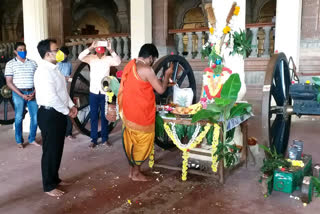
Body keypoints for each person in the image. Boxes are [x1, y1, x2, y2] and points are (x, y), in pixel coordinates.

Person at [118, 44, 173, 181]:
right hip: (141, 114)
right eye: (153, 59)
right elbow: (160, 90)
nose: (153, 62)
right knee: (142, 144)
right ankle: (136, 173)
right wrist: (167, 75)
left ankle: (132, 171)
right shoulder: (147, 69)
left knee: (132, 144)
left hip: (129, 112)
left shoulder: (130, 65)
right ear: (150, 57)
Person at [34, 39, 78, 197]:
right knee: (50, 151)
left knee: (57, 149)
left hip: (58, 112)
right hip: (49, 114)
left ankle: (55, 178)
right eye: (56, 50)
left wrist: (71, 105)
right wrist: (67, 111)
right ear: (47, 54)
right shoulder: (43, 72)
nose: (60, 52)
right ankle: (48, 185)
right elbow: (51, 97)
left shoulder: (55, 69)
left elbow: (62, 92)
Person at [78, 40, 121, 148]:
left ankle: (105, 139)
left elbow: (118, 61)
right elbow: (80, 57)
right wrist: (90, 47)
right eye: (98, 51)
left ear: (104, 51)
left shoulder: (108, 59)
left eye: (101, 52)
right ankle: (93, 139)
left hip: (105, 92)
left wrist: (111, 49)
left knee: (104, 116)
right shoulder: (91, 58)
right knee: (93, 116)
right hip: (94, 91)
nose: (100, 54)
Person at [5, 42, 40, 149]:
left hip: (32, 93)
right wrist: (21, 94)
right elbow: (9, 82)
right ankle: (19, 141)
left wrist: (34, 92)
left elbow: (38, 79)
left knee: (35, 117)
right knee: (19, 117)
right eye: (20, 50)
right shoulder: (10, 64)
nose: (23, 51)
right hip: (18, 93)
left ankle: (32, 139)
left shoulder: (33, 63)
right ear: (15, 51)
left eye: (24, 49)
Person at [58, 46, 75, 140]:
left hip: (66, 89)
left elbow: (72, 76)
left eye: (65, 56)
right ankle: (60, 132)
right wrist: (63, 78)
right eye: (62, 55)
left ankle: (69, 133)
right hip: (57, 90)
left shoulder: (69, 64)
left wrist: (69, 79)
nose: (64, 57)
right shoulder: (55, 64)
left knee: (68, 112)